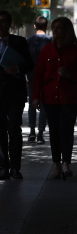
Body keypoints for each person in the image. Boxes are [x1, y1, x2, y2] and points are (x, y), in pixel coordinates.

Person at [32, 17, 77, 180]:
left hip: (69, 98)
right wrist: (35, 97)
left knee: (66, 130)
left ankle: (66, 163)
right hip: (49, 98)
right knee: (55, 132)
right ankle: (57, 164)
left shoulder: (75, 51)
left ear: (67, 30)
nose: (55, 31)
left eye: (59, 28)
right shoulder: (47, 51)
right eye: (54, 28)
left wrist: (70, 75)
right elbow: (38, 76)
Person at [0, 10, 33, 180]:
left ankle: (15, 168)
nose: (1, 24)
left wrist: (18, 69)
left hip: (15, 93)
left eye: (4, 21)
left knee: (14, 129)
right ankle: (3, 167)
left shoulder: (19, 42)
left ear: (9, 24)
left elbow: (29, 63)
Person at [27, 16, 51, 144]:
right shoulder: (51, 41)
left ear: (35, 26)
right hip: (47, 78)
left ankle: (31, 132)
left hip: (32, 77)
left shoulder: (28, 41)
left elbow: (25, 61)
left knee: (32, 103)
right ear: (46, 26)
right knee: (44, 105)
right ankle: (40, 133)